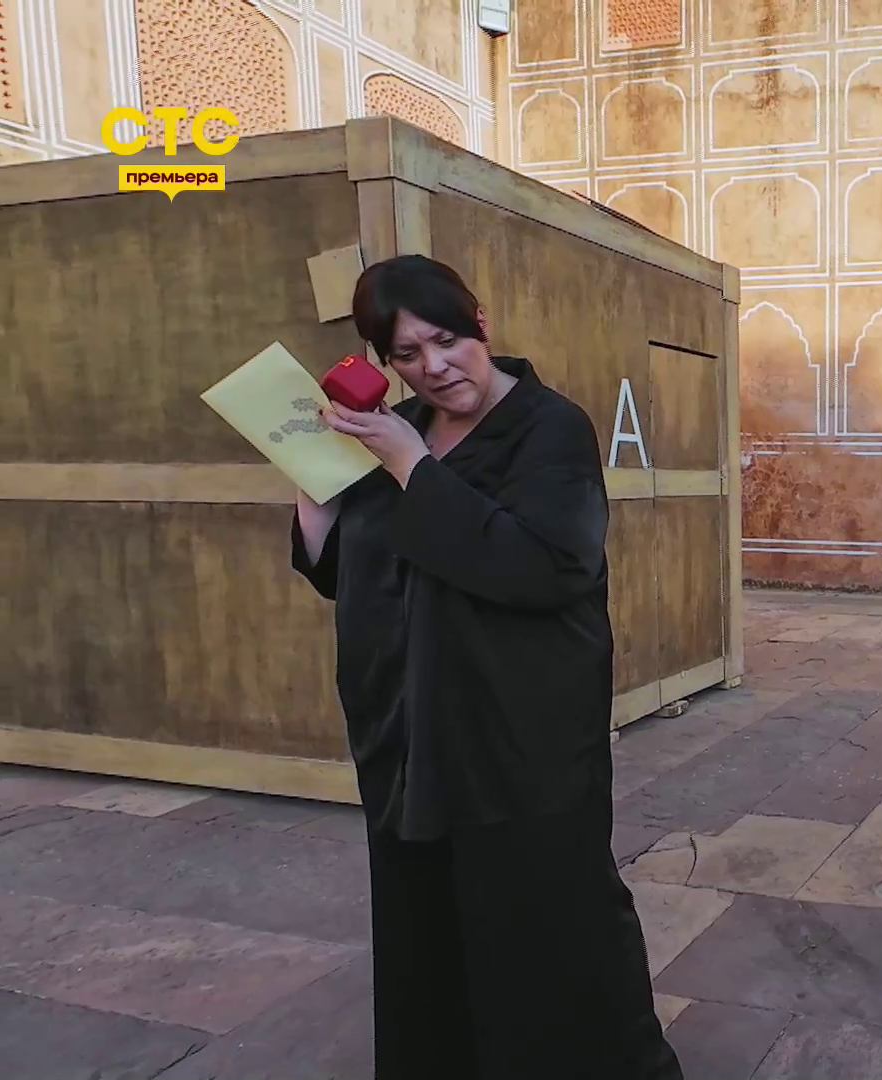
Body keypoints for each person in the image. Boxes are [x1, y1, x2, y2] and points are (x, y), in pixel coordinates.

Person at [291, 255, 683, 1080]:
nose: (433, 367)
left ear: (481, 325)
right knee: (425, 919)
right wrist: (313, 487)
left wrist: (412, 466)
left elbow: (546, 568)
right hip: (409, 727)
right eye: (406, 354)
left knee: (550, 916)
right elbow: (351, 571)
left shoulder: (549, 428)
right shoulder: (397, 427)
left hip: (520, 730)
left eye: (446, 341)